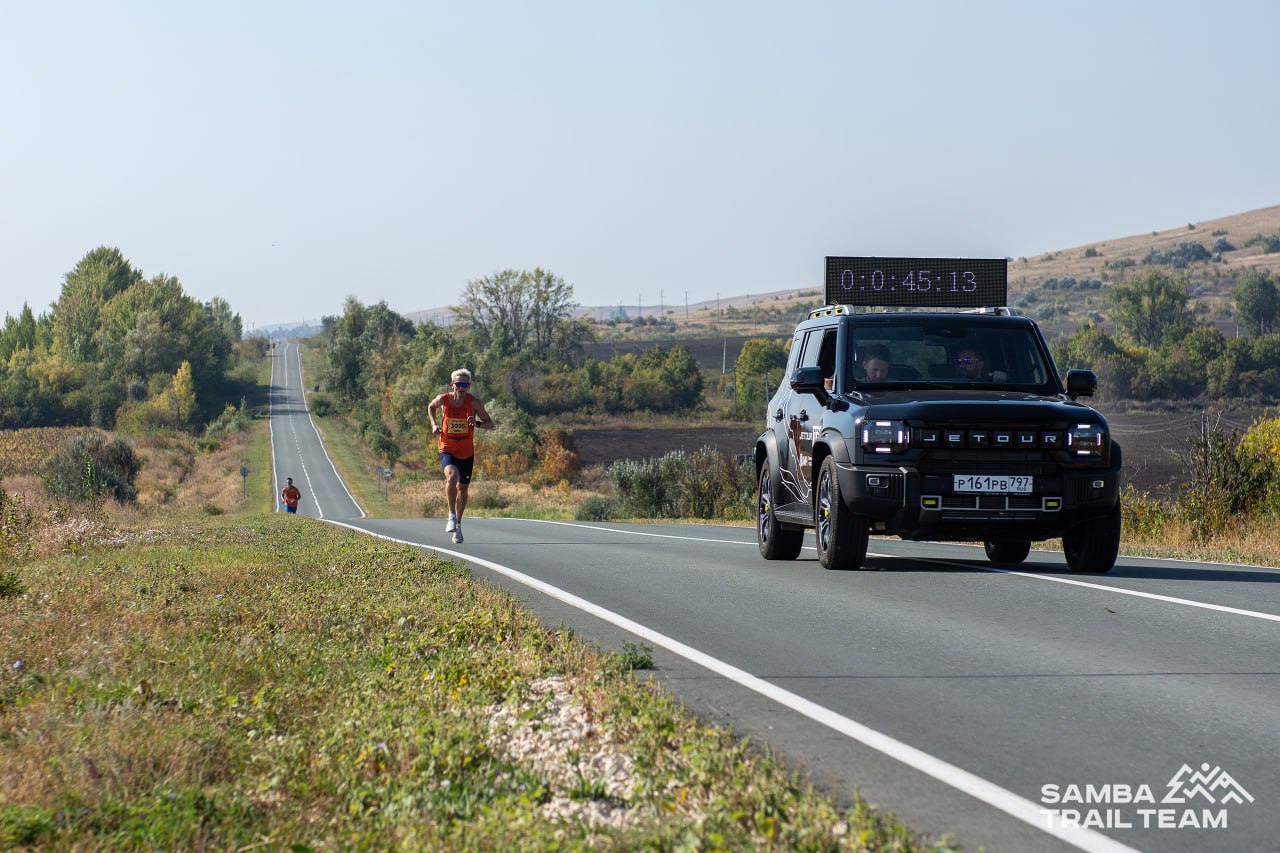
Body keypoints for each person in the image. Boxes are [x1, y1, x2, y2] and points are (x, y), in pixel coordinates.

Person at [427, 369, 495, 544]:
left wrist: (477, 423)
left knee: (463, 489)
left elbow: (491, 424)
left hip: (466, 452)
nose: (462, 387)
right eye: (459, 384)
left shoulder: (474, 403)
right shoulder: (444, 399)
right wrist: (434, 424)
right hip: (447, 448)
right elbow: (431, 407)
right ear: (453, 385)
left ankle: (457, 524)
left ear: (469, 386)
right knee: (451, 477)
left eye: (465, 384)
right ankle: (450, 515)